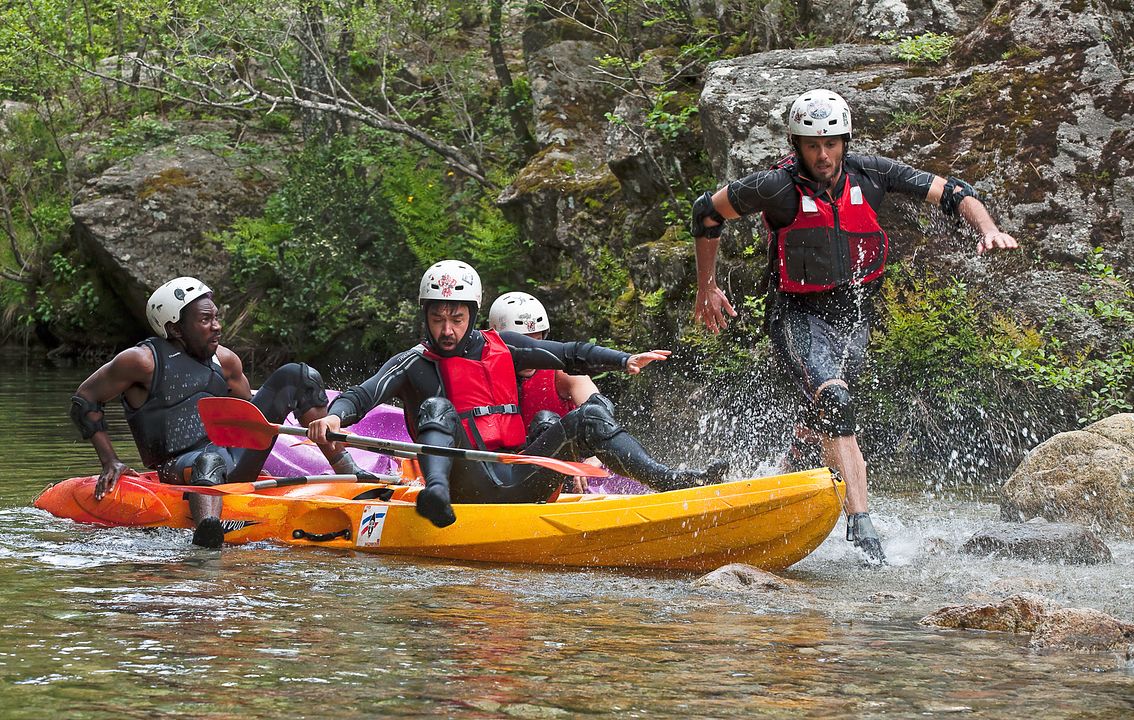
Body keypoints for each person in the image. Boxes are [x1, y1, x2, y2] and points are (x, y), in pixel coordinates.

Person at [689, 88, 1019, 565]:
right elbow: (706, 211)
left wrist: (986, 228)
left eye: (831, 144)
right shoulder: (775, 187)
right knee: (835, 399)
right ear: (796, 145)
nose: (823, 156)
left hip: (854, 315)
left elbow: (953, 192)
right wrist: (707, 286)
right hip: (796, 314)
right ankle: (864, 532)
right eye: (811, 146)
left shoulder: (873, 173)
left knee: (824, 414)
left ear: (845, 140)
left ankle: (783, 472)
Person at [306, 260, 728, 529]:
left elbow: (569, 354)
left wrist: (621, 360)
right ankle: (433, 495)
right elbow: (362, 395)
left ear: (472, 314)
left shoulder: (503, 346)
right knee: (437, 407)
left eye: (456, 317)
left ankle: (669, 481)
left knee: (584, 420)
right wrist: (334, 417)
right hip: (461, 487)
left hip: (517, 476)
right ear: (426, 317)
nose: (447, 329)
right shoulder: (414, 362)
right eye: (438, 318)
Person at [70, 276, 366, 548]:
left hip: (232, 453)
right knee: (207, 460)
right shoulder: (141, 362)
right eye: (205, 319)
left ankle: (348, 470)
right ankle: (208, 535)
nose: (217, 326)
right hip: (178, 465)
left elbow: (249, 416)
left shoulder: (226, 361)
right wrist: (111, 461)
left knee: (299, 375)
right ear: (175, 328)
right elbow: (85, 400)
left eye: (216, 318)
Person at [488, 290, 724, 494]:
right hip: (524, 474)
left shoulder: (561, 374)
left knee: (550, 422)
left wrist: (594, 457)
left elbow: (597, 407)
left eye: (538, 338)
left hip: (582, 468)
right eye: (524, 341)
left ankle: (672, 481)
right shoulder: (484, 375)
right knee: (543, 424)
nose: (532, 348)